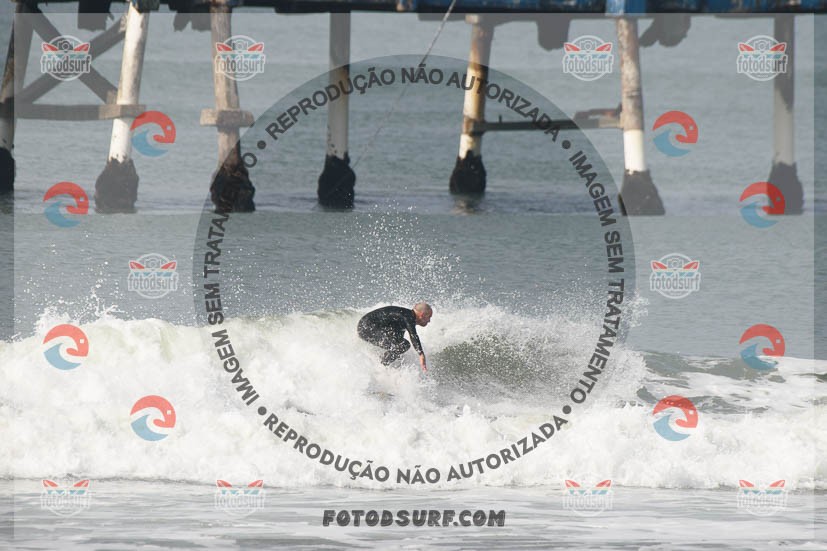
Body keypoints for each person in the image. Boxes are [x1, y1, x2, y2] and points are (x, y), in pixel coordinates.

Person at [357, 303, 432, 371]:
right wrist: (421, 354)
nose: (429, 321)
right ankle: (381, 367)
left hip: (367, 327)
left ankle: (380, 363)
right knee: (404, 345)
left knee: (399, 343)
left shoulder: (402, 318)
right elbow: (413, 335)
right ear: (422, 315)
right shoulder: (408, 317)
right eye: (429, 317)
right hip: (366, 328)